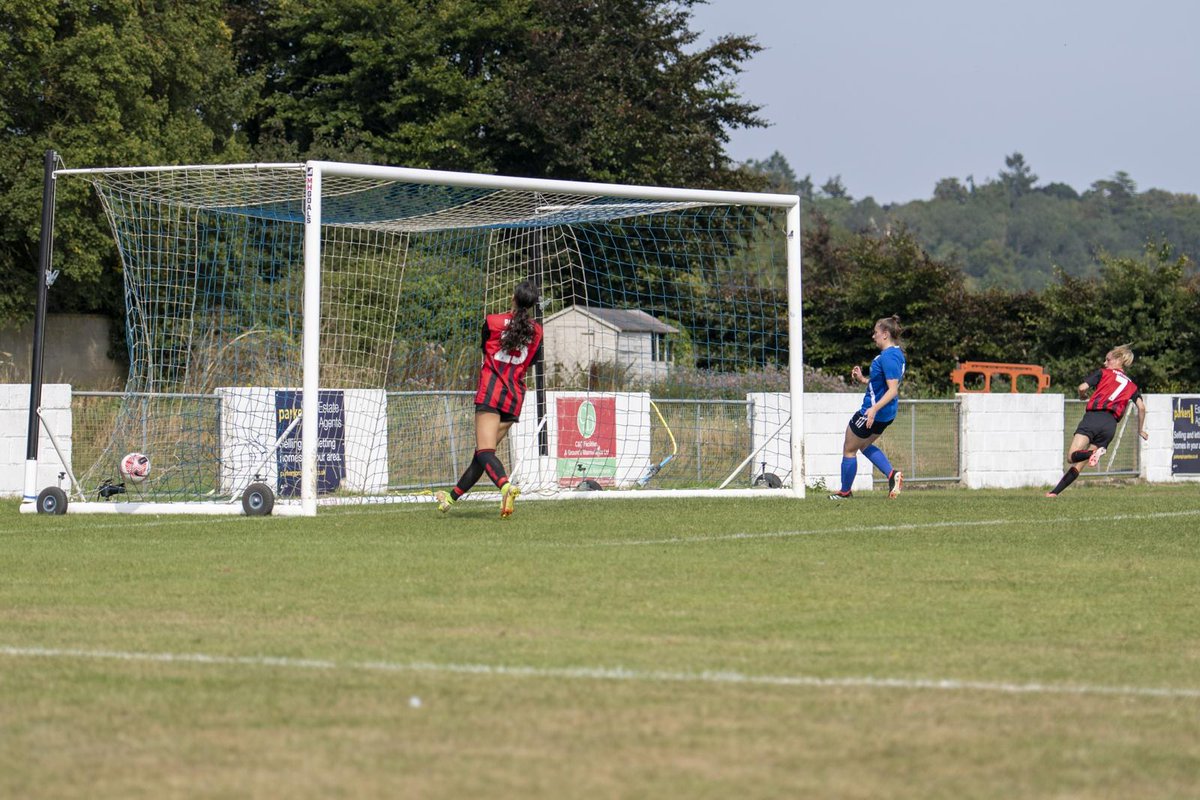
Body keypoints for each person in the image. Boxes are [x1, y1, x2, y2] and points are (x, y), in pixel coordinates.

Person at [435, 280, 543, 518]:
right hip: (514, 397)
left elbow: (485, 349)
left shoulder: (493, 321)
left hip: (491, 393)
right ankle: (449, 499)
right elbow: (531, 362)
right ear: (532, 305)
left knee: (485, 452)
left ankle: (506, 488)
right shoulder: (537, 331)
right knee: (483, 455)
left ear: (513, 298)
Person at [1046, 344, 1148, 497]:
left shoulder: (1103, 373)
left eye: (1108, 360)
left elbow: (1082, 387)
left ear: (1118, 360)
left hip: (1094, 417)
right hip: (1110, 425)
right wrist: (1140, 430)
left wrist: (1082, 396)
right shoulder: (1132, 386)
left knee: (1071, 456)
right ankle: (1054, 493)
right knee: (1079, 464)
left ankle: (1092, 453)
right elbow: (1141, 407)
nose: (1105, 363)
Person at [829, 315, 906, 500]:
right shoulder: (897, 354)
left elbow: (893, 390)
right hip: (887, 414)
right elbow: (882, 383)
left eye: (875, 332)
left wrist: (873, 409)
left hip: (872, 411)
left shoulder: (887, 357)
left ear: (885, 334)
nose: (873, 336)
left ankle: (844, 492)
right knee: (864, 445)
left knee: (849, 449)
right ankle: (892, 474)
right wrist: (863, 379)